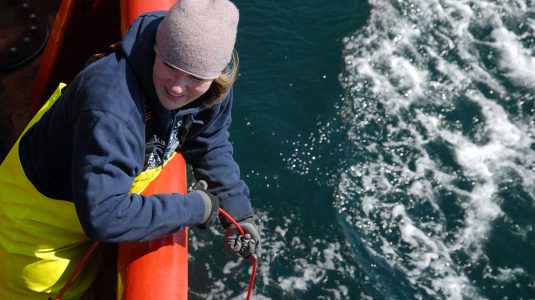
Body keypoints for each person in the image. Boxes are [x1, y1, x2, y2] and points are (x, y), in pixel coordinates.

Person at [0, 0, 261, 298]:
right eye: (169, 65)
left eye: (196, 78)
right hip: (34, 233)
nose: (178, 87)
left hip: (81, 211)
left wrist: (238, 211)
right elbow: (105, 215)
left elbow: (209, 139)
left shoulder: (211, 87)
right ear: (155, 50)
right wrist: (197, 207)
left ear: (217, 74)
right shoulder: (111, 105)